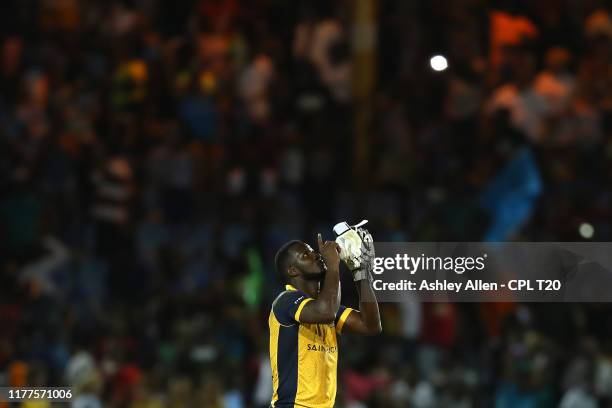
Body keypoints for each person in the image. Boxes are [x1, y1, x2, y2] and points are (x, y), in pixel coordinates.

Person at [268, 229, 382, 408]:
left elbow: (370, 325)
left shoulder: (326, 308)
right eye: (306, 254)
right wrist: (333, 264)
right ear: (292, 270)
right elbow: (326, 311)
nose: (316, 255)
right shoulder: (286, 301)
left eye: (313, 251)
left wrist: (360, 271)